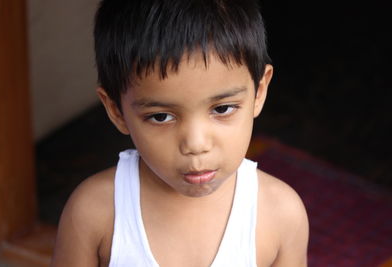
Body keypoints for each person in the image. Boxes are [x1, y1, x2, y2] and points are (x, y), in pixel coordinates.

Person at [51, 0, 309, 266]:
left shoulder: (280, 215)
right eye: (161, 116)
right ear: (116, 110)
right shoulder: (95, 212)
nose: (196, 144)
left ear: (259, 91)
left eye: (222, 109)